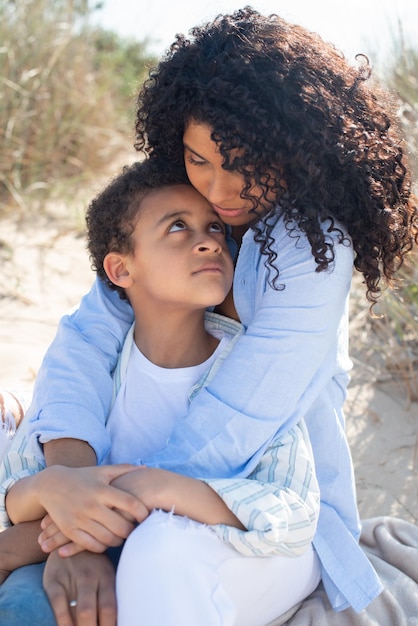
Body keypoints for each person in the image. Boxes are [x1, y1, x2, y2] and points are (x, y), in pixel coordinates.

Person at [1, 3, 417, 621]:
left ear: (294, 150)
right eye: (201, 160)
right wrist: (68, 488)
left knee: (159, 555)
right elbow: (86, 340)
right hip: (123, 498)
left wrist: (85, 529)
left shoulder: (310, 251)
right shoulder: (174, 210)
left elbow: (236, 422)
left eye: (247, 165)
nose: (220, 193)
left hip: (261, 509)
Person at [0, 158, 320, 626]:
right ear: (121, 269)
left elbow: (290, 510)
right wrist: (53, 487)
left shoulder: (247, 367)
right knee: (27, 608)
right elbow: (15, 492)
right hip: (78, 547)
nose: (209, 239)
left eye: (214, 227)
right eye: (177, 227)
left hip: (190, 559)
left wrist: (156, 490)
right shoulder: (95, 368)